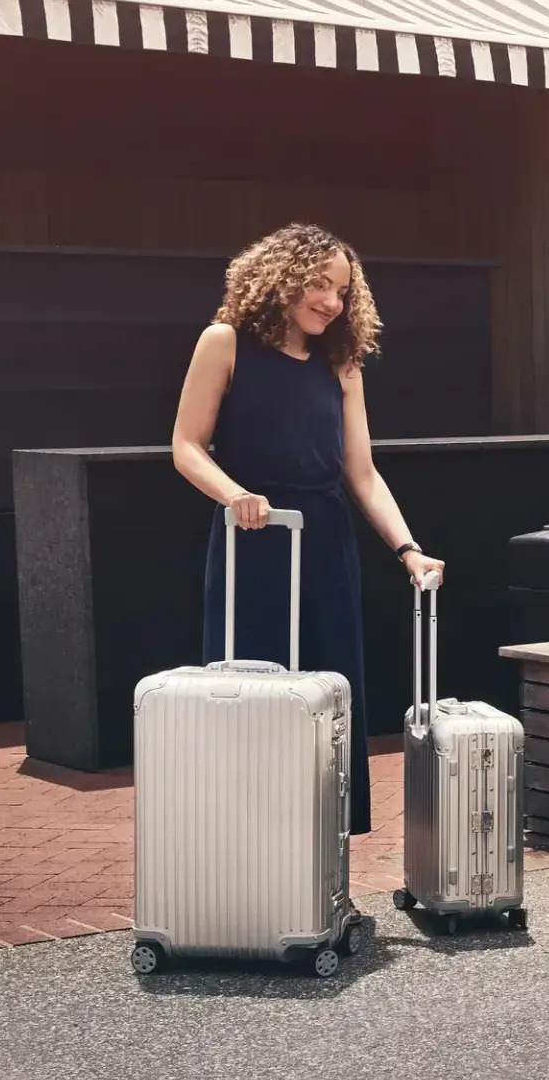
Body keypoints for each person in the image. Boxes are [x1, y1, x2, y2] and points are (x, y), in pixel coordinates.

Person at [172, 225, 443, 839]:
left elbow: (363, 473)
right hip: (253, 537)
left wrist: (409, 551)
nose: (331, 301)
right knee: (251, 692)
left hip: (326, 542)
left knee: (328, 694)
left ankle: (323, 863)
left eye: (343, 290)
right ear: (279, 278)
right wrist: (234, 494)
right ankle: (244, 850)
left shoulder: (341, 365)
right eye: (319, 284)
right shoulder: (225, 342)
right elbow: (186, 445)